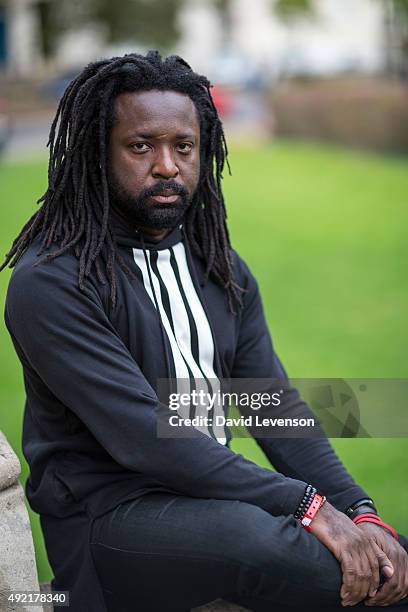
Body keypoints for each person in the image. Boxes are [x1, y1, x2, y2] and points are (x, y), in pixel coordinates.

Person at [1, 50, 407, 612]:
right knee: (266, 545)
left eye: (183, 146)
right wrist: (307, 506)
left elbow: (273, 407)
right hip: (109, 523)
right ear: (99, 153)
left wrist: (357, 508)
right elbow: (146, 434)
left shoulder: (218, 266)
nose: (167, 165)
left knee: (387, 552)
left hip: (210, 500)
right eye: (141, 145)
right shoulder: (52, 282)